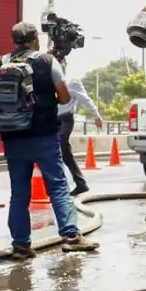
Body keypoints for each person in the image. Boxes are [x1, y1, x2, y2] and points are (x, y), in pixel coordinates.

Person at [0, 22, 100, 258]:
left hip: (12, 135)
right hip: (43, 135)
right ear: (34, 39)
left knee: (19, 192)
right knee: (58, 186)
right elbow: (63, 98)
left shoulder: (1, 62)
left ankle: (20, 245)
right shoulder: (46, 61)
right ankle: (71, 236)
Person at [57, 57, 104, 196]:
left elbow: (85, 99)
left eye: (61, 61)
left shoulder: (72, 81)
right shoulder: (49, 79)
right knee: (59, 152)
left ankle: (77, 184)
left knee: (61, 148)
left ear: (65, 63)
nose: (58, 64)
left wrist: (96, 115)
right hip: (51, 120)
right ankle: (77, 184)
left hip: (65, 119)